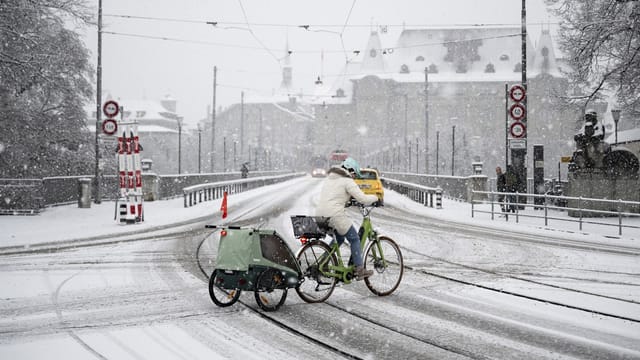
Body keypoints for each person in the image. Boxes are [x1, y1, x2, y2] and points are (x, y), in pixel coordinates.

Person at [316, 157, 378, 280]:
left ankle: (322, 263)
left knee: (339, 239)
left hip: (320, 215)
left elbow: (335, 196)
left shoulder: (330, 178)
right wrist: (376, 198)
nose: (354, 178)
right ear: (351, 170)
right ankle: (359, 270)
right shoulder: (347, 180)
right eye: (354, 175)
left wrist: (347, 201)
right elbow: (363, 199)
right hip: (335, 215)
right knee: (354, 239)